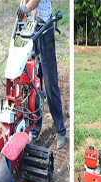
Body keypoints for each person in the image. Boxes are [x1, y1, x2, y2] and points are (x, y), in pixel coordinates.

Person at [17, 0, 66, 149]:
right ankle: (35, 129)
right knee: (33, 83)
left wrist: (26, 8)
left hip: (45, 28)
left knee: (50, 84)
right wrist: (22, 8)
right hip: (33, 29)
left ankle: (60, 129)